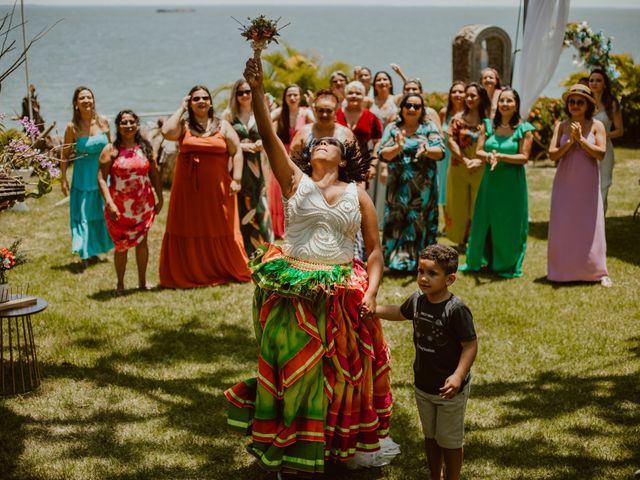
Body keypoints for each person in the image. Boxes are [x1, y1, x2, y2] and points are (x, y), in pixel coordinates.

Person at [225, 55, 397, 477]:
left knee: (339, 379)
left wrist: (372, 292)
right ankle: (292, 449)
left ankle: (330, 446)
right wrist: (260, 89)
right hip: (294, 284)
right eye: (316, 144)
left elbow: (374, 252)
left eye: (330, 143)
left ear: (343, 154)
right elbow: (268, 136)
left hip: (342, 289)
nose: (320, 144)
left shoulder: (359, 194)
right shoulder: (294, 182)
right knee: (295, 370)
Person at [376, 244, 477, 480]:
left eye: (432, 273)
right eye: (421, 271)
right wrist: (374, 310)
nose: (424, 278)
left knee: (449, 441)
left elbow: (470, 345)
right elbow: (400, 312)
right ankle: (436, 476)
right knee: (430, 436)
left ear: (450, 278)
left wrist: (458, 376)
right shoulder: (418, 300)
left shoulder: (456, 310)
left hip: (449, 391)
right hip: (423, 385)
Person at [159, 85, 251, 288]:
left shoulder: (223, 126)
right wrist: (181, 108)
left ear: (210, 102)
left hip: (218, 189)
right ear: (189, 102)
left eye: (205, 97)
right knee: (189, 227)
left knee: (221, 227)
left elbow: (236, 151)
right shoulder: (183, 126)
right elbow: (166, 132)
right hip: (187, 191)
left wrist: (236, 178)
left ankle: (223, 268)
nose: (201, 101)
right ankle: (190, 271)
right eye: (196, 99)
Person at [459, 88, 534, 278]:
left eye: (509, 101)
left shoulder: (524, 129)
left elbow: (524, 157)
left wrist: (500, 157)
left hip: (511, 184)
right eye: (502, 100)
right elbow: (479, 151)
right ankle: (477, 260)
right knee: (484, 219)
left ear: (516, 104)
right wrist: (490, 156)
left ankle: (505, 263)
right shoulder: (488, 125)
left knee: (507, 222)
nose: (505, 104)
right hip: (490, 182)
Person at [547, 84, 611, 287]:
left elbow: (600, 154)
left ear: (588, 105)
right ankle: (562, 271)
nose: (575, 105)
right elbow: (552, 155)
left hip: (587, 182)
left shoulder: (596, 125)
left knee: (589, 224)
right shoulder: (561, 125)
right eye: (572, 101)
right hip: (565, 181)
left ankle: (596, 271)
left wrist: (581, 140)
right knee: (563, 223)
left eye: (580, 102)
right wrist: (569, 143)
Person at [97, 110, 163, 294]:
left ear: (137, 124)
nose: (128, 126)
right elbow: (101, 178)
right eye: (124, 122)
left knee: (143, 243)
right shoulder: (111, 150)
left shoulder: (146, 147)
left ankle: (142, 283)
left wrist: (160, 197)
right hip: (119, 207)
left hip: (143, 205)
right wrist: (109, 203)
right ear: (117, 126)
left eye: (131, 122)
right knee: (122, 245)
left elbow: (154, 174)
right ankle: (120, 284)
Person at [378, 93, 444, 272]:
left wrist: (427, 149)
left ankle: (421, 264)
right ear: (402, 108)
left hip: (423, 187)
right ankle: (391, 262)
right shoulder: (393, 128)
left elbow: (440, 152)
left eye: (417, 106)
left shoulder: (428, 127)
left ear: (422, 110)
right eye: (408, 105)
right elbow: (383, 153)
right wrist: (397, 147)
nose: (412, 109)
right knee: (395, 220)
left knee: (419, 222)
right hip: (398, 185)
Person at [60, 86, 113, 265]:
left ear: (94, 100)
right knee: (82, 215)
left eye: (89, 97)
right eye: (82, 98)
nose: (86, 101)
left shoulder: (104, 122)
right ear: (76, 104)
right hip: (82, 178)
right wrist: (63, 178)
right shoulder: (71, 127)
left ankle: (94, 249)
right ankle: (84, 252)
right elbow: (65, 154)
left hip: (103, 177)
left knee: (100, 214)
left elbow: (112, 150)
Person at [223, 79, 273, 256]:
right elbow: (223, 140)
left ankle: (264, 249)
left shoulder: (259, 113)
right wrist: (242, 147)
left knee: (260, 206)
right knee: (241, 206)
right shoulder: (228, 115)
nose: (244, 95)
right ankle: (243, 250)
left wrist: (261, 142)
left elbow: (270, 137)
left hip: (258, 166)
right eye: (240, 92)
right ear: (235, 95)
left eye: (247, 92)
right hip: (238, 167)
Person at [444, 82, 491, 251]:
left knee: (478, 203)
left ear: (481, 98)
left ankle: (475, 238)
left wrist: (479, 161)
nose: (469, 98)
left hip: (480, 167)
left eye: (473, 96)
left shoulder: (488, 120)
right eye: (467, 95)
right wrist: (465, 160)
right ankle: (460, 240)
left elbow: (491, 143)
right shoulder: (457, 119)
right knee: (458, 203)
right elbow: (450, 141)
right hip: (459, 166)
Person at [269, 84, 314, 238]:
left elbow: (317, 127)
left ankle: (299, 225)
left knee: (299, 191)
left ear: (300, 97)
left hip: (299, 158)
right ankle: (280, 229)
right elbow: (264, 121)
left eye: (295, 95)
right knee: (278, 192)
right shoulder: (280, 112)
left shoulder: (306, 112)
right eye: (289, 95)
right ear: (285, 97)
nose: (293, 98)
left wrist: (313, 105)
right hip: (281, 156)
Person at [588, 67, 624, 214]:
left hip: (605, 150)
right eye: (591, 80)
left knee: (603, 185)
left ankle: (599, 227)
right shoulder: (584, 102)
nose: (594, 83)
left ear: (605, 84)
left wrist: (603, 135)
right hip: (586, 150)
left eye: (598, 80)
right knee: (587, 186)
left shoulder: (612, 104)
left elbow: (620, 131)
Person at [289, 89, 355, 160]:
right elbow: (292, 160)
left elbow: (356, 161)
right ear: (315, 110)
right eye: (321, 110)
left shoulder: (346, 134)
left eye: (329, 111)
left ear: (335, 111)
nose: (324, 114)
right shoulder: (304, 132)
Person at [438, 81, 466, 209]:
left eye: (461, 91)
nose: (457, 94)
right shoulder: (444, 112)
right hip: (445, 158)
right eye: (454, 91)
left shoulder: (468, 114)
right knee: (445, 187)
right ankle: (447, 222)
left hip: (462, 154)